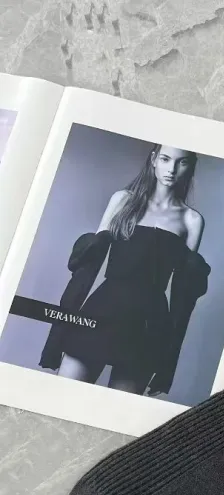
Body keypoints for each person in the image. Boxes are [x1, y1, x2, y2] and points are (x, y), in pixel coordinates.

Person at [40, 144, 210, 396]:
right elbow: (88, 265)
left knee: (117, 410)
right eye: (165, 159)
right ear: (154, 159)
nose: (172, 169)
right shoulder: (123, 200)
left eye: (182, 162)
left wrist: (167, 366)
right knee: (63, 397)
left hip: (148, 324)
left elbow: (183, 298)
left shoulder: (192, 220)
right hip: (102, 309)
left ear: (191, 166)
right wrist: (58, 334)